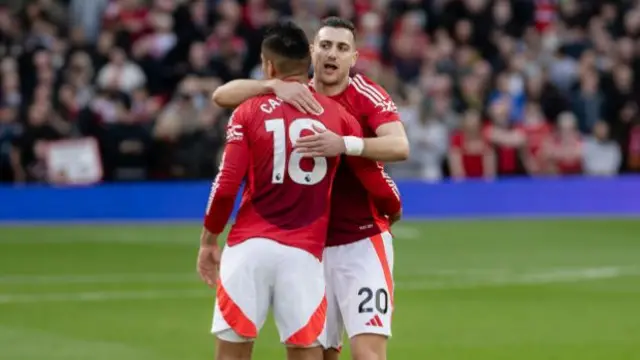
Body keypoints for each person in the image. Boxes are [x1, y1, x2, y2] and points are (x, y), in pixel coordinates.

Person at [197, 21, 402, 360]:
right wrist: (274, 86)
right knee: (320, 354)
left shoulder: (364, 95)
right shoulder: (306, 97)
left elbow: (398, 146)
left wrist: (346, 145)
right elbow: (221, 95)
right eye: (325, 46)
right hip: (312, 247)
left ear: (353, 57)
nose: (331, 54)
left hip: (360, 240)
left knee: (367, 354)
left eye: (341, 48)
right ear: (312, 53)